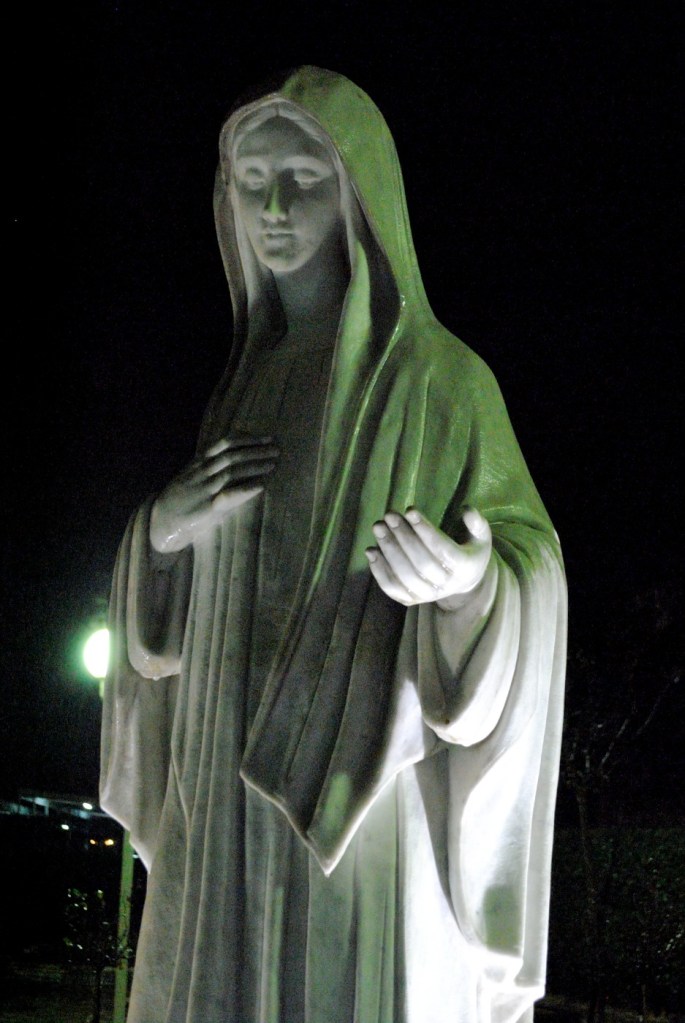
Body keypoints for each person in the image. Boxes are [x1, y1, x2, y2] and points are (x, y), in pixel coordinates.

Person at [101, 66, 567, 1023]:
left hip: (360, 798)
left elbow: (530, 561)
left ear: (357, 190)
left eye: (301, 180)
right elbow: (163, 636)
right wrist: (162, 529)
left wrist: (469, 587)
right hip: (218, 783)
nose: (273, 207)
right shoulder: (240, 385)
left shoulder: (437, 379)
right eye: (251, 181)